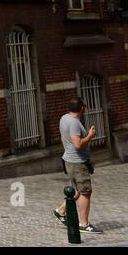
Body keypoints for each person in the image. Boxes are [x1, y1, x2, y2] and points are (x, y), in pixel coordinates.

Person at [55, 98, 100, 233]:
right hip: (77, 162)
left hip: (70, 159)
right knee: (86, 191)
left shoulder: (64, 118)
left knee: (77, 190)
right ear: (81, 108)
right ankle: (84, 224)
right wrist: (90, 135)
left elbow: (64, 138)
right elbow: (78, 144)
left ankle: (61, 211)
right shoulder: (74, 123)